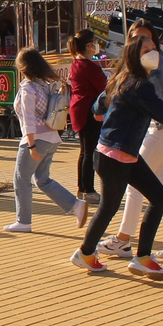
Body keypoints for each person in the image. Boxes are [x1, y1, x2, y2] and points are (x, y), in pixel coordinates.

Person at [74, 31, 163, 277]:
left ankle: (136, 256)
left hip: (117, 153)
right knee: (113, 206)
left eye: (154, 48)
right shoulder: (139, 85)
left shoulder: (123, 78)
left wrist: (99, 112)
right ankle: (92, 253)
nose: (153, 53)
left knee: (155, 197)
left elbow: (99, 103)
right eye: (147, 50)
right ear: (135, 57)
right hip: (115, 156)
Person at [5, 48, 88, 233]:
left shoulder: (28, 88)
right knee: (42, 179)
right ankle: (75, 205)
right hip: (52, 137)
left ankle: (23, 221)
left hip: (36, 139)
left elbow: (27, 118)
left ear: (23, 67)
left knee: (21, 179)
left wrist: (31, 144)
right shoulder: (45, 84)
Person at [67, 29, 107, 201]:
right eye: (95, 42)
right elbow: (104, 88)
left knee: (85, 151)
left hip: (79, 109)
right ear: (90, 45)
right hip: (89, 110)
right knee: (90, 151)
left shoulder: (76, 63)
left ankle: (83, 188)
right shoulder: (89, 66)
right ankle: (88, 190)